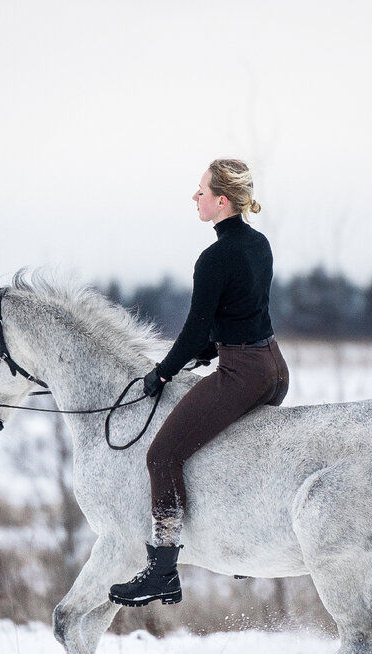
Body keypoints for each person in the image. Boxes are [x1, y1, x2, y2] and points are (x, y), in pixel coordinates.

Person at [109, 159, 290, 607]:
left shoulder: (213, 258)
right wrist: (214, 346)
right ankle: (246, 542)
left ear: (222, 201)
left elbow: (193, 331)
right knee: (225, 450)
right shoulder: (260, 244)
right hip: (273, 369)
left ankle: (163, 570)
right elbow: (245, 312)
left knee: (163, 455)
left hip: (242, 372)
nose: (195, 197)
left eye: (202, 191)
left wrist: (163, 372)